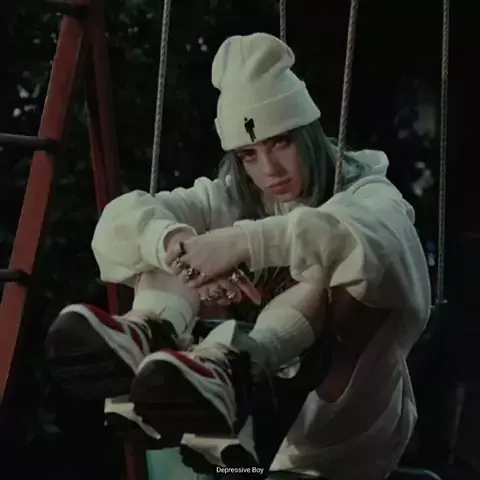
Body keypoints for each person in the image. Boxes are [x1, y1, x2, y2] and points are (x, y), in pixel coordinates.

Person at [45, 33, 431, 480]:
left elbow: (375, 241)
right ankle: (148, 332)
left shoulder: (369, 193)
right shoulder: (230, 197)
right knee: (169, 243)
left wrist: (242, 243)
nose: (269, 170)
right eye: (249, 154)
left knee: (328, 272)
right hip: (238, 451)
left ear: (308, 133)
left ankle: (239, 368)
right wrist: (178, 246)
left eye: (281, 143)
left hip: (337, 444)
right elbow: (119, 221)